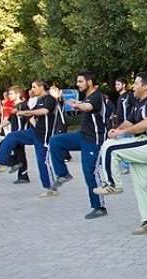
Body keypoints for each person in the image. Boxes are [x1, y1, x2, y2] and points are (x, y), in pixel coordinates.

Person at [94, 72, 147, 233]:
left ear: (145, 86)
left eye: (136, 83)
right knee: (140, 186)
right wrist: (117, 130)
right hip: (143, 145)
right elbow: (129, 122)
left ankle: (113, 184)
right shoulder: (139, 103)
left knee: (109, 147)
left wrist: (120, 134)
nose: (133, 86)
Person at [48, 71, 108, 219]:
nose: (77, 84)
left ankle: (99, 207)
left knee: (90, 172)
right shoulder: (87, 96)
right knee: (55, 141)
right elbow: (84, 105)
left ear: (89, 82)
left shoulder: (97, 96)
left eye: (80, 81)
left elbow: (88, 107)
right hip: (82, 136)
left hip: (93, 140)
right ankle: (63, 174)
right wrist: (74, 103)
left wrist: (77, 105)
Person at [0, 79, 57, 196]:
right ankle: (2, 163)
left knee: (42, 162)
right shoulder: (39, 100)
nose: (32, 90)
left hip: (44, 135)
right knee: (11, 137)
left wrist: (24, 112)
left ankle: (51, 189)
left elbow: (44, 111)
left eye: (34, 87)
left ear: (41, 87)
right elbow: (32, 114)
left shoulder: (50, 99)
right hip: (33, 132)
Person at [0, 86, 31, 184]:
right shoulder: (15, 106)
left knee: (6, 146)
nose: (9, 95)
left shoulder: (23, 105)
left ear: (18, 94)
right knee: (18, 153)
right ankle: (22, 174)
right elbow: (9, 120)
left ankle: (17, 167)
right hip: (14, 133)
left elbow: (30, 117)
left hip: (20, 133)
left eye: (11, 94)